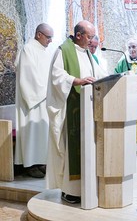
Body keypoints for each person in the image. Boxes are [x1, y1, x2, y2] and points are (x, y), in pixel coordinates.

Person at [46, 20, 106, 204]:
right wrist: (76, 80)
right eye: (89, 36)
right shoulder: (64, 51)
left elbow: (97, 73)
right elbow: (57, 76)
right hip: (72, 108)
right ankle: (70, 191)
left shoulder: (87, 52)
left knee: (87, 150)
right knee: (73, 151)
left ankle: (87, 189)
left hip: (88, 110)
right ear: (78, 35)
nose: (92, 40)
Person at [14, 23, 54, 178]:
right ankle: (30, 165)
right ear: (39, 34)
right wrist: (45, 90)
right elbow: (28, 77)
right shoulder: (28, 50)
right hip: (33, 101)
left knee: (42, 132)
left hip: (43, 98)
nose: (50, 41)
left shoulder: (43, 51)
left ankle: (41, 162)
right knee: (33, 132)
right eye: (48, 37)